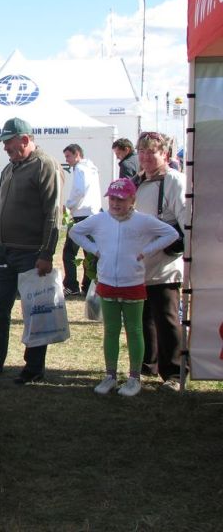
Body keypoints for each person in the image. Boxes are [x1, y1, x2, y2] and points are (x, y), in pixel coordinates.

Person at [69, 178, 179, 397]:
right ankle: (110, 375)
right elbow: (74, 232)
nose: (116, 203)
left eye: (121, 199)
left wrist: (147, 250)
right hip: (107, 282)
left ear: (132, 200)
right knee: (111, 330)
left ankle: (134, 378)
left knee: (134, 330)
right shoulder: (100, 219)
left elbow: (172, 234)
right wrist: (95, 249)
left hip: (133, 282)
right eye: (112, 198)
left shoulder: (142, 221)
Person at [0, 117, 61, 384]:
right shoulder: (10, 168)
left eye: (9, 142)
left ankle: (33, 369)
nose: (5, 147)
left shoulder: (44, 165)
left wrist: (46, 253)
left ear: (25, 139)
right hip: (4, 252)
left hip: (30, 253)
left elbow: (53, 213)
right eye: (4, 143)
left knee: (34, 311)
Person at [133, 131, 187, 391]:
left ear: (164, 154)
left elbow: (186, 221)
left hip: (165, 263)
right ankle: (149, 365)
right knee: (145, 317)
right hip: (141, 263)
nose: (145, 157)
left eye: (151, 152)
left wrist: (184, 253)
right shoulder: (138, 181)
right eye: (141, 152)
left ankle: (176, 373)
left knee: (166, 317)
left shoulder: (175, 181)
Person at [62, 143, 102, 296]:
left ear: (77, 154)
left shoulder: (80, 168)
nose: (67, 160)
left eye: (68, 156)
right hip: (93, 213)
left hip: (81, 215)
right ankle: (88, 285)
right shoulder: (91, 168)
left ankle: (71, 286)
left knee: (69, 253)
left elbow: (79, 190)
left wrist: (69, 205)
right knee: (89, 253)